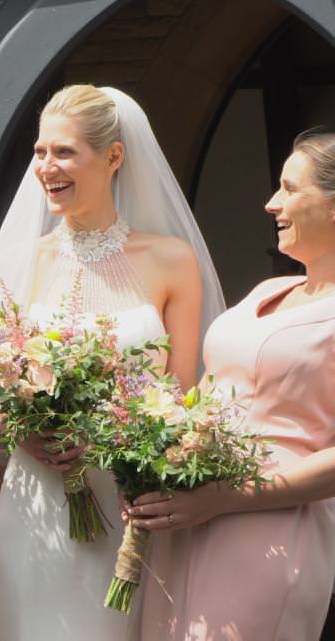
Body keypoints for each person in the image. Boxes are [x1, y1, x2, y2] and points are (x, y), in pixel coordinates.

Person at [0, 84, 225, 640]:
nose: (46, 167)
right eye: (40, 152)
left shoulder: (170, 260)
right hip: (34, 505)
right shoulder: (22, 261)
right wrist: (25, 431)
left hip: (125, 503)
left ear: (113, 157)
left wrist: (107, 440)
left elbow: (184, 396)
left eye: (63, 152)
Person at [126, 132, 335, 640]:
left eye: (289, 189)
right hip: (189, 522)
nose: (272, 203)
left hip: (270, 526)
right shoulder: (270, 288)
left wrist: (226, 497)